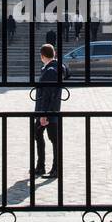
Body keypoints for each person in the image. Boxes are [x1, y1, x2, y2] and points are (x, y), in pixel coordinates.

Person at [29, 42, 67, 180]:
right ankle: (41, 166)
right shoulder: (52, 68)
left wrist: (44, 114)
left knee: (53, 139)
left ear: (42, 56)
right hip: (49, 110)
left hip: (48, 112)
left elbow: (47, 94)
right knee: (39, 135)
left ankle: (54, 168)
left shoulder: (51, 71)